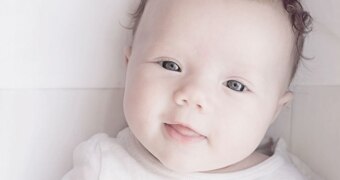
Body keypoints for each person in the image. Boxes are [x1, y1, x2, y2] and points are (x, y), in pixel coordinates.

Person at [62, 0, 313, 179]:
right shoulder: (103, 166)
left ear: (273, 111)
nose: (193, 95)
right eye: (171, 65)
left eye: (235, 85)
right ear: (129, 67)